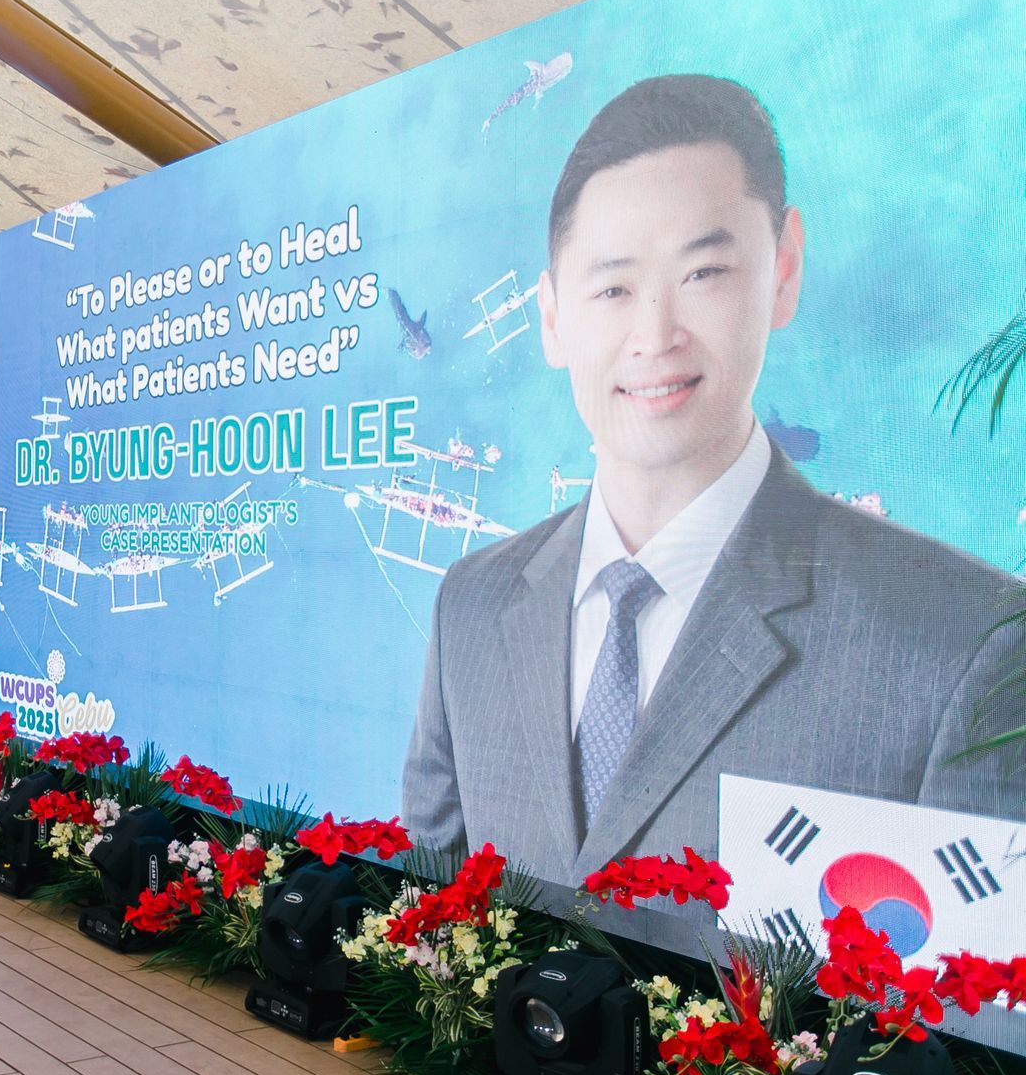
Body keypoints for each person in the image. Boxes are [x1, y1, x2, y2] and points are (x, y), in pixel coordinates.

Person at [402, 75, 1024, 894]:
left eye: (703, 273)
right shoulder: (471, 606)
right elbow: (425, 909)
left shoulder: (965, 644)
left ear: (784, 269)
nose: (655, 335)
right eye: (613, 288)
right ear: (552, 318)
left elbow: (975, 971)